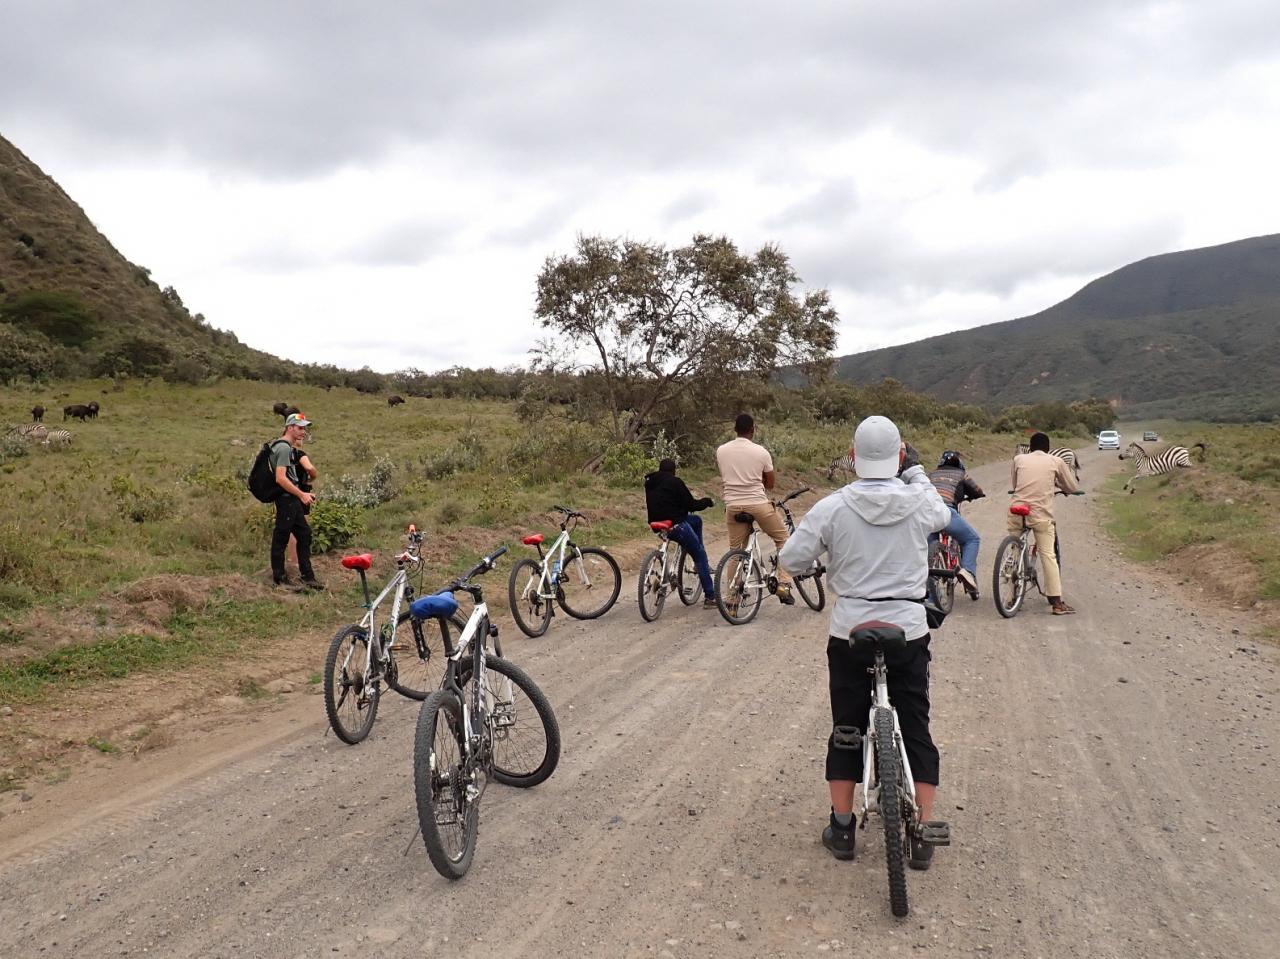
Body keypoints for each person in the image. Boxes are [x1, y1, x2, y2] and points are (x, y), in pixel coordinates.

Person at [779, 415, 950, 869]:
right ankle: (922, 832)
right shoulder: (919, 501)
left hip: (851, 630)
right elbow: (943, 512)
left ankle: (842, 828)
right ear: (899, 455)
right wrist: (916, 471)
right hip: (907, 628)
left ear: (853, 457)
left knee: (847, 726)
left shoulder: (832, 507)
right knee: (916, 724)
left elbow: (791, 559)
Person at [715, 413, 794, 604]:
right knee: (783, 539)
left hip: (733, 506)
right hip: (758, 504)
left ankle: (732, 600)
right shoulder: (761, 452)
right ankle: (784, 584)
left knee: (735, 552)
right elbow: (770, 484)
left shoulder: (721, 450)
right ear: (753, 429)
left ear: (735, 429)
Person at [1009, 431, 1079, 614]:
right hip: (1040, 515)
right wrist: (1060, 486)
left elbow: (1015, 485)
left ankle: (1010, 596)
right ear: (1048, 449)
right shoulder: (1056, 461)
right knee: (1048, 554)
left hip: (1016, 511)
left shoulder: (1018, 459)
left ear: (1030, 447)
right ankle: (1057, 603)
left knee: (1014, 550)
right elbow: (1072, 487)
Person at [643, 458, 717, 609]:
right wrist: (707, 501)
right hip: (676, 525)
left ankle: (694, 557)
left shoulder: (650, 482)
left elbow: (664, 501)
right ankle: (710, 597)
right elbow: (692, 505)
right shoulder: (675, 482)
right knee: (700, 555)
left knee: (696, 521)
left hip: (656, 523)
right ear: (673, 471)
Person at [270, 412, 323, 591]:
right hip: (286, 498)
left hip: (291, 498)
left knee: (304, 534)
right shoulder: (284, 448)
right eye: (300, 428)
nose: (303, 432)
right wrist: (302, 494)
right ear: (290, 427)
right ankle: (279, 579)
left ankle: (308, 577)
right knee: (281, 537)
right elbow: (280, 478)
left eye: (304, 428)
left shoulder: (286, 447)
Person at [927, 451, 985, 597]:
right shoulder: (961, 474)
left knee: (928, 546)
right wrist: (977, 495)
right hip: (946, 511)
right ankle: (968, 572)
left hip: (927, 513)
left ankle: (927, 584)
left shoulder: (931, 475)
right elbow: (977, 490)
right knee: (972, 539)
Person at [287, 444, 318, 574]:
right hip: (302, 493)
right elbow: (309, 468)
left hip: (288, 493)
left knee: (292, 528)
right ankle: (297, 561)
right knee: (301, 529)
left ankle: (292, 560)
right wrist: (313, 477)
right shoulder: (299, 454)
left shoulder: (284, 454)